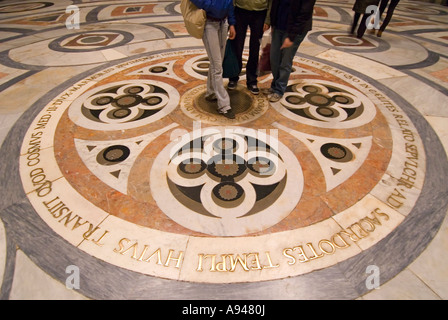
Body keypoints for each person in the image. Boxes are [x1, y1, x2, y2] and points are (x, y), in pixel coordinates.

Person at [190, 0, 237, 119]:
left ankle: (211, 92)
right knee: (217, 67)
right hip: (209, 24)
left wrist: (232, 23)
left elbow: (230, 2)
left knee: (217, 62)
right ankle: (224, 105)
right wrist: (215, 6)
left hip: (223, 23)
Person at [266, 0, 316, 102]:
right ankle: (275, 84)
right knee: (274, 58)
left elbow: (304, 13)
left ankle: (279, 90)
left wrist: (291, 37)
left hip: (295, 30)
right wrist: (273, 23)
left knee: (285, 60)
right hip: (279, 26)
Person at [227, 0, 272, 95]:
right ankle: (233, 77)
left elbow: (271, 1)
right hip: (240, 11)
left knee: (255, 48)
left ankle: (252, 80)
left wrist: (268, 19)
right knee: (237, 46)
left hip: (260, 12)